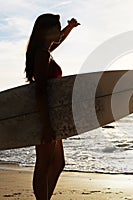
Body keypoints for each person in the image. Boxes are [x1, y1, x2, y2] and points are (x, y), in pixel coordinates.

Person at [24, 13, 80, 200]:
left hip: (52, 117)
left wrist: (69, 28)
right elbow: (40, 91)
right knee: (44, 164)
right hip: (44, 117)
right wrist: (46, 125)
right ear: (45, 31)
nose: (58, 31)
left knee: (58, 162)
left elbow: (57, 41)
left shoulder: (44, 51)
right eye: (55, 28)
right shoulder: (41, 55)